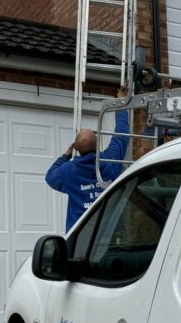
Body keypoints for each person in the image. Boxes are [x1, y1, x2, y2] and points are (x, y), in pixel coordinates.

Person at [45, 87, 130, 232]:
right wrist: (121, 101)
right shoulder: (111, 160)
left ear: (76, 148)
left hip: (80, 239)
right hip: (110, 237)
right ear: (98, 145)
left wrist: (66, 155)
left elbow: (50, 176)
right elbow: (122, 132)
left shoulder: (68, 171)